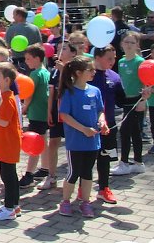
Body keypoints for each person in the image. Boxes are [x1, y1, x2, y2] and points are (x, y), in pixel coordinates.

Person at [57, 56, 106, 218]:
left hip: (93, 142)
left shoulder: (95, 91)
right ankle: (65, 201)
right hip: (75, 142)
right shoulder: (69, 92)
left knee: (87, 172)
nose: (94, 72)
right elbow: (64, 115)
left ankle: (85, 202)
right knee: (73, 172)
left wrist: (102, 121)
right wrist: (83, 129)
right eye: (90, 70)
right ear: (78, 73)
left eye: (93, 69)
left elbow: (100, 110)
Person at [89, 45, 125, 204]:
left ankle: (103, 188)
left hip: (109, 125)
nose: (112, 61)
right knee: (86, 159)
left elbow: (122, 101)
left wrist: (142, 97)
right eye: (109, 58)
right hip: (88, 126)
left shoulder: (115, 77)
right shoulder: (86, 75)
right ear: (97, 57)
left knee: (105, 157)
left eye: (114, 57)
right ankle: (82, 190)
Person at [40, 42, 79, 190]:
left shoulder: (76, 70)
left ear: (73, 53)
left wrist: (64, 71)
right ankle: (51, 176)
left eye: (64, 48)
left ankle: (73, 175)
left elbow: (74, 88)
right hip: (57, 111)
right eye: (59, 48)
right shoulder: (54, 70)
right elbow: (52, 93)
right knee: (53, 143)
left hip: (71, 112)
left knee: (72, 144)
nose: (60, 51)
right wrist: (49, 111)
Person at [112, 32, 150, 175]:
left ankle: (124, 163)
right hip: (126, 101)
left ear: (137, 45)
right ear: (121, 44)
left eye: (132, 43)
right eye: (126, 42)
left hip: (137, 101)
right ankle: (138, 163)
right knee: (134, 132)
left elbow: (148, 83)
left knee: (126, 131)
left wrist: (143, 101)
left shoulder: (140, 62)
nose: (128, 45)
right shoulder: (121, 62)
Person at [0, 62, 22, 221]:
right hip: (5, 142)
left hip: (8, 143)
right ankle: (14, 206)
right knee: (10, 176)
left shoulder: (7, 98)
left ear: (7, 80)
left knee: (8, 176)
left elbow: (3, 121)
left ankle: (9, 207)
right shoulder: (3, 97)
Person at [19, 44, 51, 188]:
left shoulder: (35, 74)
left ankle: (29, 174)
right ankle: (45, 168)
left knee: (34, 143)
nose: (26, 61)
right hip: (43, 112)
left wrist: (24, 107)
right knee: (43, 140)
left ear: (37, 58)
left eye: (29, 58)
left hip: (36, 112)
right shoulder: (46, 72)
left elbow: (29, 94)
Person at [4, 7, 42, 72]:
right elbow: (40, 44)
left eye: (14, 15)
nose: (13, 17)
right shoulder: (35, 28)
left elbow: (7, 45)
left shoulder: (11, 29)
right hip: (34, 61)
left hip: (17, 62)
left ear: (19, 16)